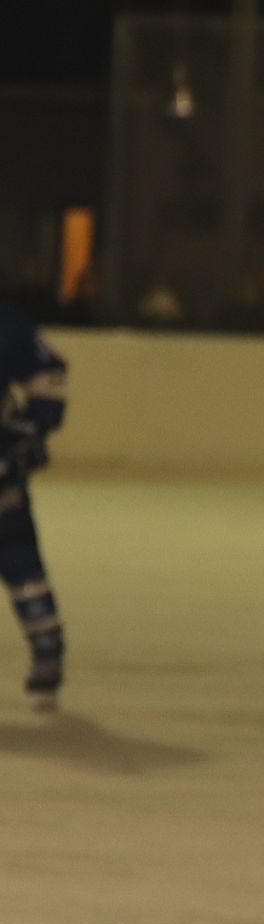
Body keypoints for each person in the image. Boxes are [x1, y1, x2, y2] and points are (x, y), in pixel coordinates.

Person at [0, 302, 67, 708]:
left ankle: (47, 649)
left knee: (21, 563)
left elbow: (49, 371)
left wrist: (33, 427)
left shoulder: (6, 329)